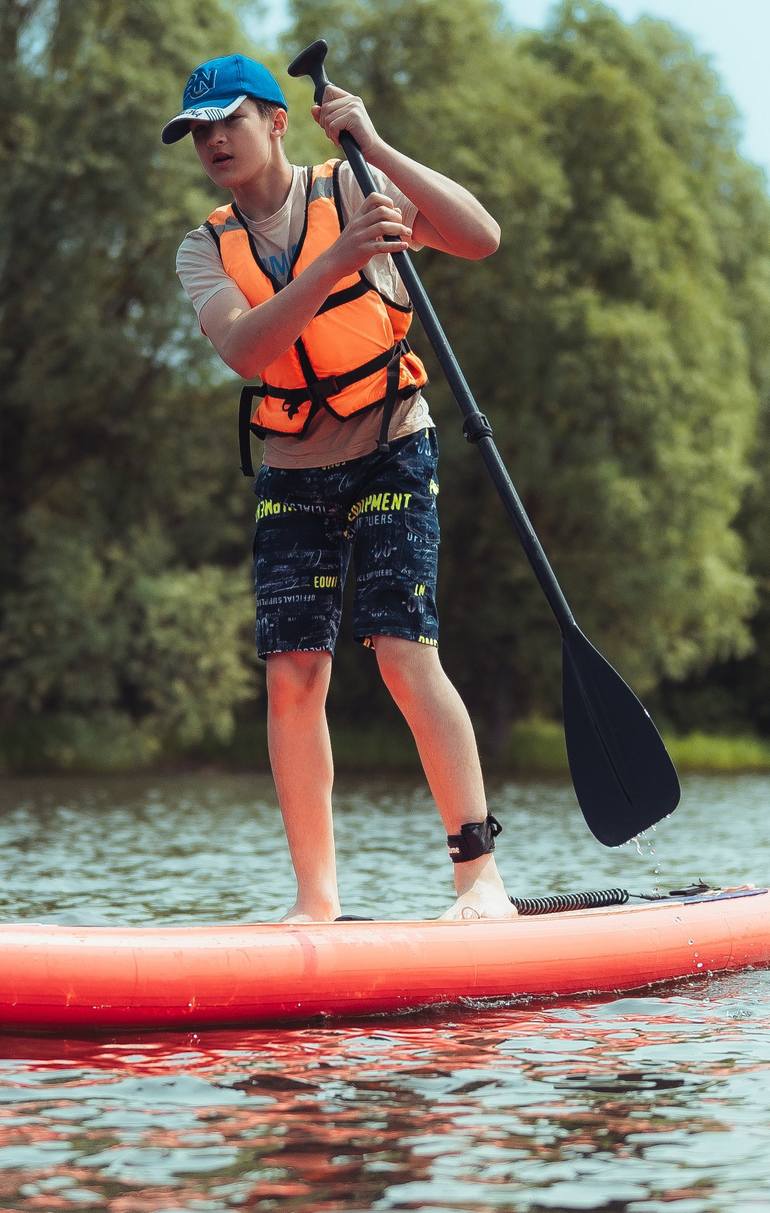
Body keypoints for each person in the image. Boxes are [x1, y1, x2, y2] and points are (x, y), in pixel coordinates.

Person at [164, 53, 518, 924]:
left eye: (229, 120)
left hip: (393, 442)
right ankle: (315, 904)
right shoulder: (201, 249)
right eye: (199, 130)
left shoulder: (355, 184)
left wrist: (377, 144)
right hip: (292, 466)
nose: (213, 139)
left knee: (402, 651)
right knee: (293, 673)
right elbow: (245, 349)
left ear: (277, 120)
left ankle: (481, 885)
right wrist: (335, 263)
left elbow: (480, 237)